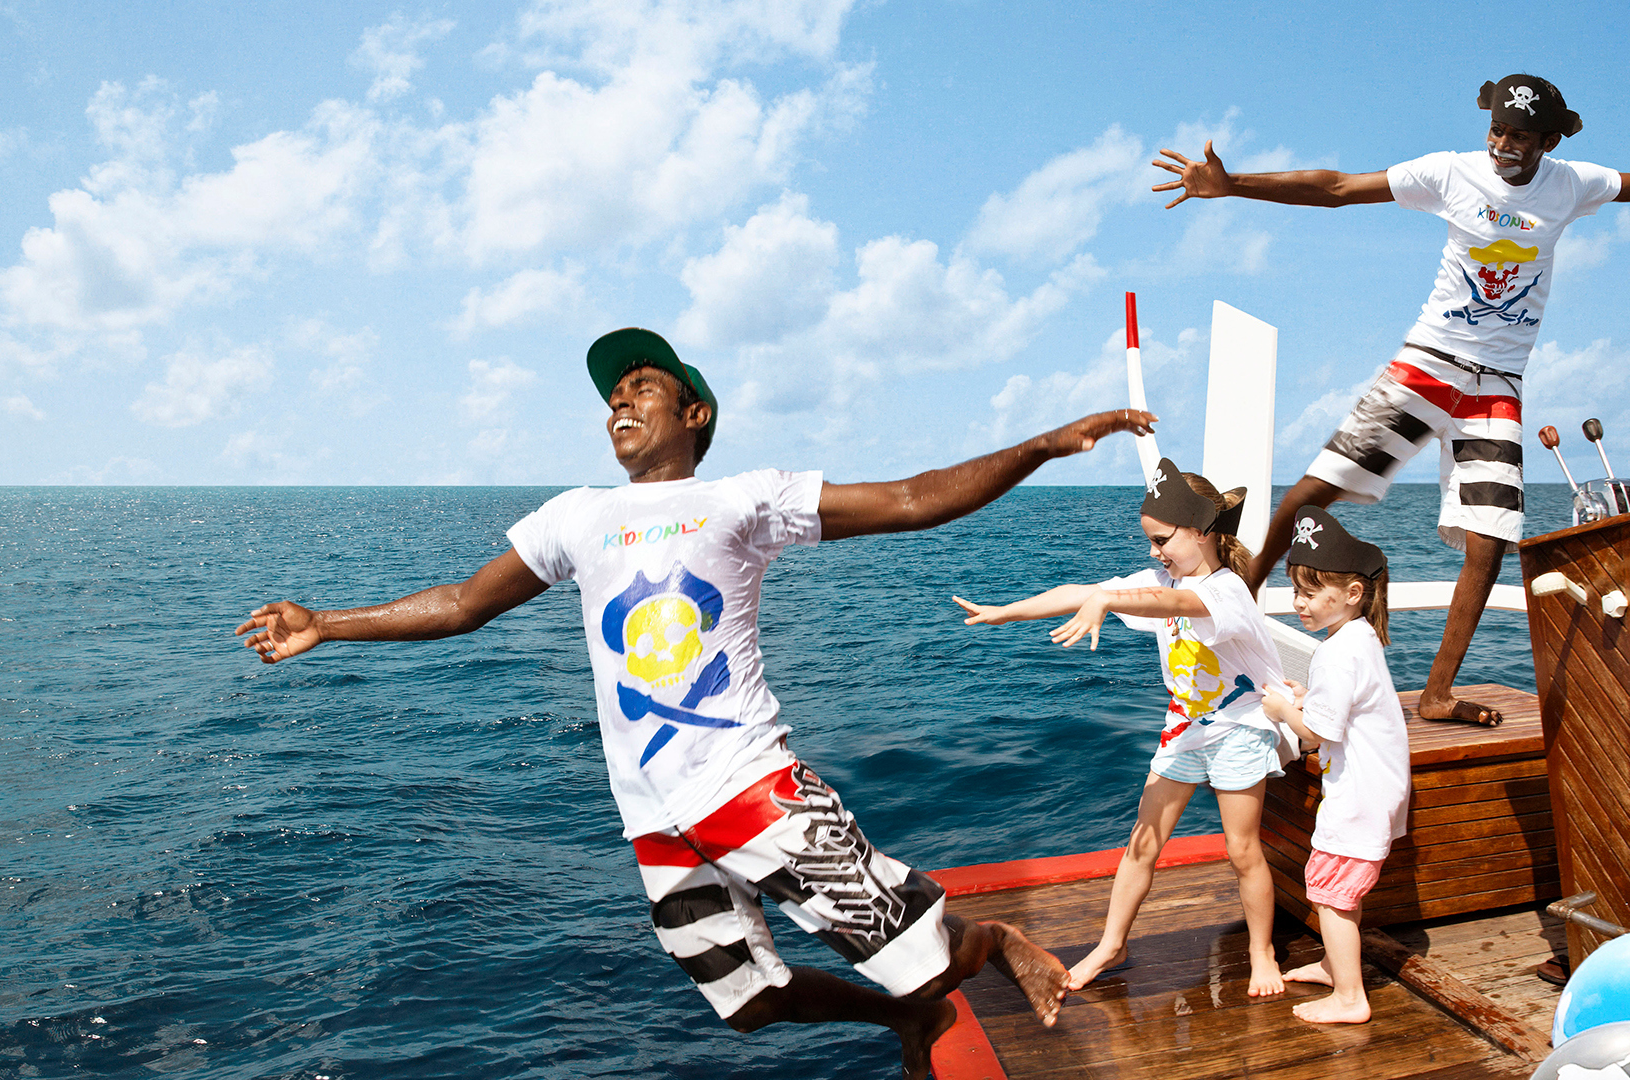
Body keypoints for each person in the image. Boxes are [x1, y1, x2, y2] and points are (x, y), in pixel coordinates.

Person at [234, 326, 1158, 1080]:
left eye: (640, 386)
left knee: (918, 950)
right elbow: (466, 605)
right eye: (611, 397)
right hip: (652, 815)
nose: (618, 404)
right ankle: (901, 1024)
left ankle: (990, 940)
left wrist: (1038, 446)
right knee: (751, 1004)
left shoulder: (740, 499)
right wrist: (330, 622)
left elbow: (913, 499)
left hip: (747, 781)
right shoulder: (572, 516)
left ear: (694, 411)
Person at [1153, 74, 1630, 725]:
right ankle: (1230, 612)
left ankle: (1437, 693)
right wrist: (1234, 185)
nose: (1505, 146)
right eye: (1498, 131)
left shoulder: (1570, 184)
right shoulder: (1450, 174)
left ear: (1550, 140)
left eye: (1522, 137)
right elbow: (1337, 189)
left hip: (1495, 385)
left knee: (1489, 540)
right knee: (1312, 492)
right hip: (1428, 365)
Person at [953, 458, 1291, 997]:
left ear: (1202, 532)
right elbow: (1077, 590)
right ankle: (1113, 945)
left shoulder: (1224, 590)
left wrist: (1108, 600)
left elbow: (1179, 603)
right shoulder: (1159, 578)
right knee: (1142, 842)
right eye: (1150, 542)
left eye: (1162, 540)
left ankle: (1261, 951)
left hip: (1241, 726)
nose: (1154, 553)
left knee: (1242, 849)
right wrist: (1005, 611)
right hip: (1184, 729)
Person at [1259, 506, 1409, 1025]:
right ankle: (1332, 964)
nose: (1299, 602)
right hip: (1379, 786)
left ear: (1352, 593)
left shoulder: (1336, 653)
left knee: (1330, 892)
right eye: (1296, 590)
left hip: (1358, 795)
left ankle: (1351, 997)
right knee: (1342, 888)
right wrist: (1308, 695)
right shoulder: (1358, 639)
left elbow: (1319, 733)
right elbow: (1341, 706)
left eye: (1311, 591)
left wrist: (1283, 709)